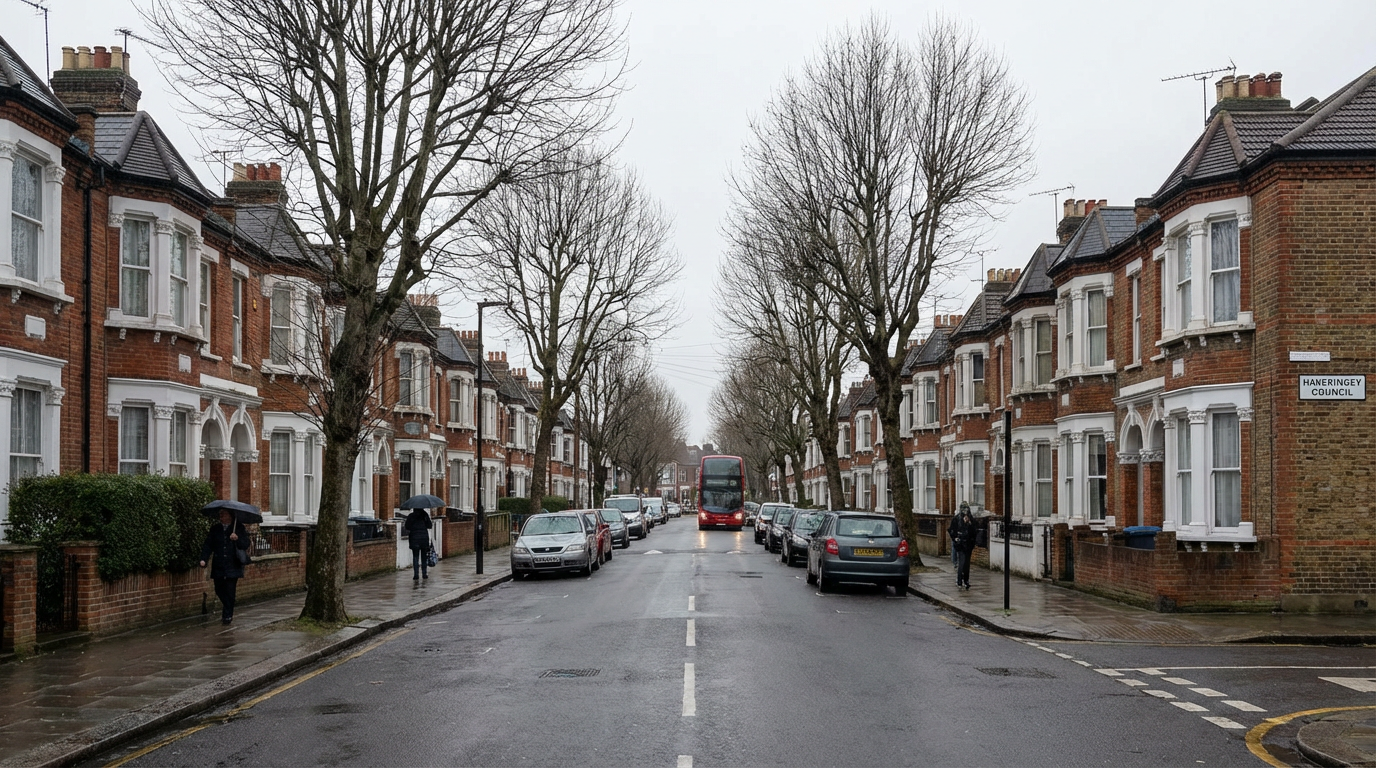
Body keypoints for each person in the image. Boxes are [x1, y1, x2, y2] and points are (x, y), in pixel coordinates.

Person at [200, 511, 251, 624]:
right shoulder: (215, 529)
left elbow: (246, 544)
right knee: (218, 589)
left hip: (233, 564)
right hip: (219, 564)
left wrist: (237, 538)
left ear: (230, 516)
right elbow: (208, 544)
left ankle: (227, 616)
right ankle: (228, 607)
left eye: (223, 514)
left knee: (230, 591)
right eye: (220, 514)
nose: (221, 516)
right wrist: (203, 559)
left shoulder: (238, 528)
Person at [950, 503, 979, 590]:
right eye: (964, 509)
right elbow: (952, 530)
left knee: (967, 564)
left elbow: (975, 530)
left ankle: (966, 581)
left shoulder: (971, 519)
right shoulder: (956, 519)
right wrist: (955, 538)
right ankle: (959, 581)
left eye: (966, 509)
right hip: (961, 544)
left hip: (969, 544)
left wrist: (969, 523)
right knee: (962, 562)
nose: (965, 511)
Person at [404, 507, 434, 581]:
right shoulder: (425, 515)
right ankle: (424, 574)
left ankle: (416, 575)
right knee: (424, 557)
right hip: (424, 538)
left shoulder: (411, 516)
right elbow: (430, 525)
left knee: (415, 557)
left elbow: (407, 526)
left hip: (414, 538)